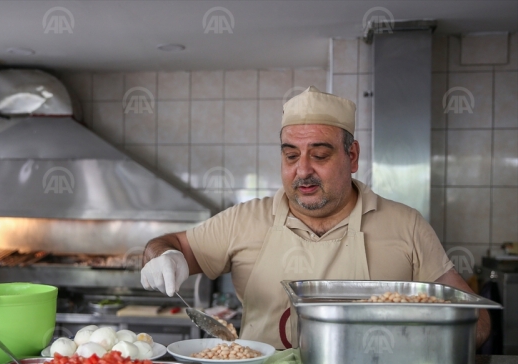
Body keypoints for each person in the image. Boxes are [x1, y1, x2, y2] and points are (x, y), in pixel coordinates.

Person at [140, 86, 490, 349]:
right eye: (291, 156)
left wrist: (419, 331)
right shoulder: (244, 220)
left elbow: (478, 321)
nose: (302, 170)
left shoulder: (405, 224)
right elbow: (169, 244)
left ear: (352, 156)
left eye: (320, 155)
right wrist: (162, 256)